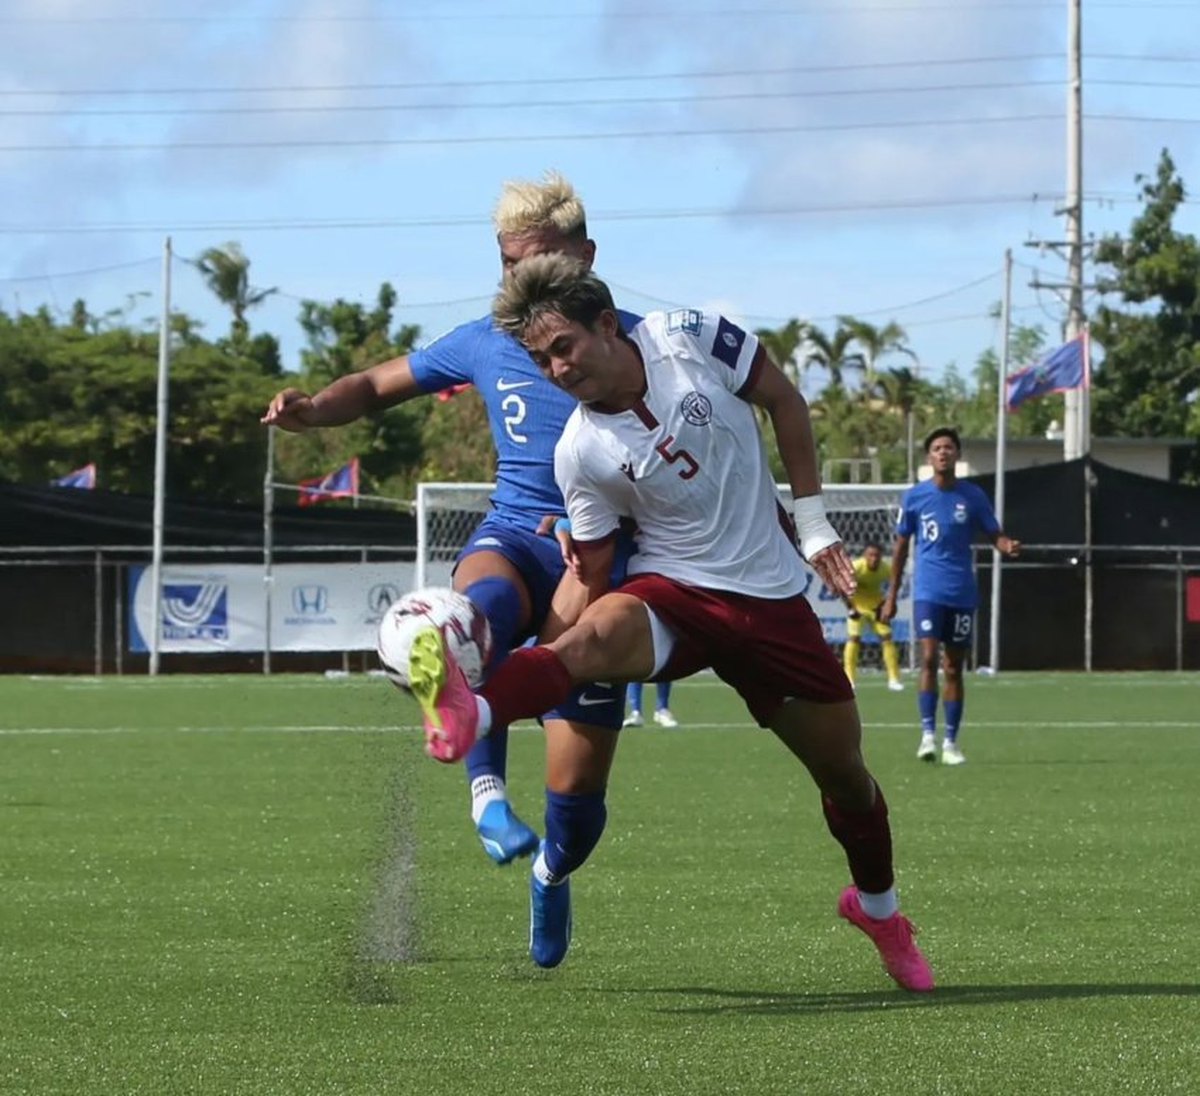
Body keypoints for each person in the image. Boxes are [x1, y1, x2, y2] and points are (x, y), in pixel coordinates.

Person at [405, 253, 933, 991]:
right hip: (674, 592)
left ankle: (879, 911)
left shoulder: (689, 337)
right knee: (588, 643)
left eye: (564, 348)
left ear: (605, 324)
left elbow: (784, 400)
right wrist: (522, 662)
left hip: (773, 601)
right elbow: (586, 576)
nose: (555, 369)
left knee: (846, 779)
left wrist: (812, 524)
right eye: (539, 359)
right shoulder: (579, 450)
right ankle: (470, 709)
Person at [261, 171, 633, 866]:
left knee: (577, 806)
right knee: (472, 615)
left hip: (600, 562)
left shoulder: (638, 346)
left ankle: (551, 877)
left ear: (583, 258)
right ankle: (485, 795)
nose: (517, 280)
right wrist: (314, 410)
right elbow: (374, 385)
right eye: (506, 264)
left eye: (536, 264)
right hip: (517, 535)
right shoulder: (487, 340)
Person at [878, 427, 1020, 766]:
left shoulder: (972, 496)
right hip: (928, 590)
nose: (943, 452)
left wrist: (1006, 545)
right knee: (928, 658)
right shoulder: (914, 497)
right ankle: (927, 735)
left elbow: (994, 534)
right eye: (938, 448)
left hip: (961, 592)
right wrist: (892, 594)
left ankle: (951, 743)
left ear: (957, 455)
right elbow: (900, 548)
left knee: (953, 667)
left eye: (949, 447)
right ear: (930, 457)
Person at [841, 542, 904, 692]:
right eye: (870, 555)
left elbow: (895, 582)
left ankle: (893, 679)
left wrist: (886, 602)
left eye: (877, 555)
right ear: (865, 556)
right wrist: (850, 607)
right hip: (857, 606)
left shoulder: (885, 569)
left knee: (886, 637)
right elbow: (841, 586)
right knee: (854, 638)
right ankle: (849, 680)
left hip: (876, 607)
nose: (874, 558)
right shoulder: (856, 567)